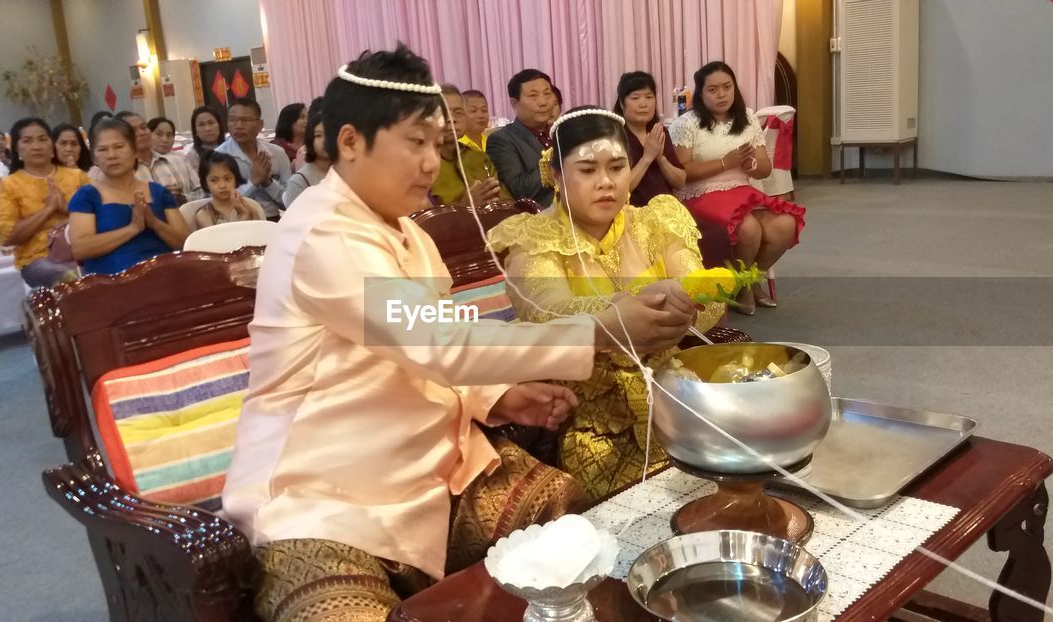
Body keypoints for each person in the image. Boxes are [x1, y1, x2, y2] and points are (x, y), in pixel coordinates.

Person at [221, 45, 693, 622]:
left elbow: (437, 337)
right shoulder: (321, 235)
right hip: (324, 500)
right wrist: (602, 327)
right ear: (349, 142)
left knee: (570, 532)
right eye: (414, 143)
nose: (431, 162)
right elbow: (437, 343)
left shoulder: (407, 233)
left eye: (436, 144)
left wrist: (494, 395)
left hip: (436, 476)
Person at [487, 106, 721, 500]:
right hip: (592, 417)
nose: (606, 183)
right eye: (587, 170)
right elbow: (545, 311)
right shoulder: (535, 240)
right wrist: (621, 311)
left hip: (675, 395)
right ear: (557, 176)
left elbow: (704, 293)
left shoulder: (654, 221)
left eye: (616, 167)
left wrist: (691, 302)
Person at [672, 61, 805, 312]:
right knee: (749, 228)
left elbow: (765, 168)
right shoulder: (687, 123)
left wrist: (750, 162)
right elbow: (682, 172)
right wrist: (725, 162)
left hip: (741, 190)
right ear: (700, 93)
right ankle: (745, 286)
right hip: (701, 192)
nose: (721, 94)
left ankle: (746, 284)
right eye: (712, 90)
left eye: (727, 87)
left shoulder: (746, 117)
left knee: (785, 223)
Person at [67, 118, 189, 276]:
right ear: (94, 158)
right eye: (103, 150)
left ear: (135, 152)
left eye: (119, 147)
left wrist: (155, 224)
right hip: (113, 285)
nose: (111, 155)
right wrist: (132, 229)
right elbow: (80, 249)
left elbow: (186, 242)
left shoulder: (157, 192)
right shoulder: (87, 196)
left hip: (165, 276)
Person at [0, 118, 88, 287]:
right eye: (27, 141)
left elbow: (101, 214)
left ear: (51, 144)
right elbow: (7, 237)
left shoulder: (77, 176)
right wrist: (48, 210)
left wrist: (66, 209)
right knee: (71, 276)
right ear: (17, 148)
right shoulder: (9, 185)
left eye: (42, 139)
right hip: (39, 258)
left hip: (85, 247)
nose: (37, 146)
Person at [487, 69, 559, 207]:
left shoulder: (558, 133)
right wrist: (560, 159)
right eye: (533, 96)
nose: (543, 102)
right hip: (539, 218)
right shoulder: (502, 140)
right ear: (514, 104)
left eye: (547, 94)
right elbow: (519, 190)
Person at [431, 84, 510, 207]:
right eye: (443, 113)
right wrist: (464, 206)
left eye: (457, 113)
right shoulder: (423, 164)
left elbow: (506, 201)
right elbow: (420, 221)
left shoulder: (478, 157)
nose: (452, 119)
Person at [614, 71, 686, 205]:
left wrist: (661, 159)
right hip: (634, 213)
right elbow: (620, 191)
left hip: (667, 210)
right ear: (622, 104)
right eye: (635, 98)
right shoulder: (615, 137)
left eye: (649, 97)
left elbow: (681, 182)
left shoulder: (659, 131)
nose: (643, 104)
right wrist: (647, 158)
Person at [215, 97, 292, 219]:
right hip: (236, 221)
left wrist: (267, 182)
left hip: (273, 219)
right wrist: (254, 181)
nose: (238, 126)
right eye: (233, 120)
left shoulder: (277, 153)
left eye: (245, 120)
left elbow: (289, 201)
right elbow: (219, 202)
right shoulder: (218, 157)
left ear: (260, 125)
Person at [194, 151, 265, 229]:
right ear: (205, 183)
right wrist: (243, 216)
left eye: (227, 179)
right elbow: (217, 240)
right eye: (214, 180)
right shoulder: (204, 214)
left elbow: (259, 232)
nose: (222, 185)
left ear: (236, 180)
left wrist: (247, 212)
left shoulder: (249, 206)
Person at [280, 113, 328, 209]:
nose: (326, 140)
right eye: (318, 135)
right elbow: (294, 221)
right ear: (310, 140)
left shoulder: (346, 172)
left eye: (331, 134)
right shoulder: (299, 181)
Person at [184, 105, 227, 172]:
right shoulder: (191, 158)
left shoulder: (232, 149)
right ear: (195, 131)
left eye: (211, 123)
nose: (207, 129)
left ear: (219, 125)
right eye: (201, 125)